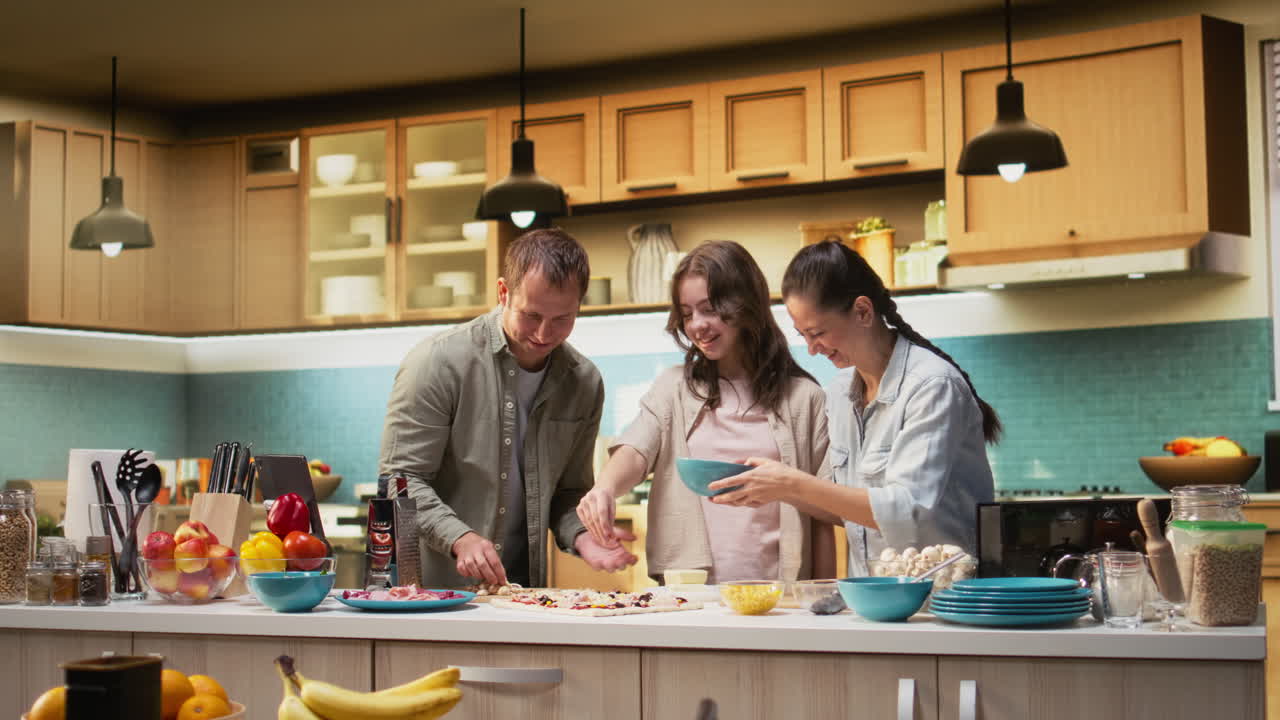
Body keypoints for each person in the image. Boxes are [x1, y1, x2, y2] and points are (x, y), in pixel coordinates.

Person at [709, 240, 997, 576]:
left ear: (862, 311)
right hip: (878, 600)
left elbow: (906, 511)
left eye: (817, 333)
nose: (813, 350)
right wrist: (774, 490)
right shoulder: (840, 395)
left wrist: (791, 484)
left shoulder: (931, 386)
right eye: (803, 335)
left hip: (947, 600)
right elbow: (846, 510)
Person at [378, 227, 637, 589]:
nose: (545, 334)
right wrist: (459, 537)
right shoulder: (438, 362)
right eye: (531, 315)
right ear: (503, 292)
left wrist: (582, 536)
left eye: (562, 318)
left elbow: (567, 492)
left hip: (520, 593)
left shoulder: (584, 382)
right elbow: (400, 482)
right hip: (432, 595)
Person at [577, 240, 834, 584]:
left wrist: (823, 602)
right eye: (686, 313)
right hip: (691, 602)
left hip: (780, 602)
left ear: (744, 304)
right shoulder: (673, 389)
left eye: (709, 308)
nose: (696, 325)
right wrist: (605, 488)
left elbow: (824, 514)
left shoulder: (806, 399)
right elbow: (637, 448)